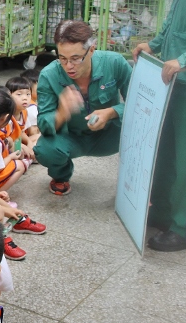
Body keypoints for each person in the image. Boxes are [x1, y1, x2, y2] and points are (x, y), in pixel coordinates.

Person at [33, 20, 132, 195]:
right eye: (62, 58)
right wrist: (61, 114)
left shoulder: (115, 63)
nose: (68, 66)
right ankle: (61, 176)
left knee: (150, 134)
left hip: (110, 134)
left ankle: (136, 185)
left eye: (76, 58)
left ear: (92, 49)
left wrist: (111, 112)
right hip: (72, 138)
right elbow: (43, 124)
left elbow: (140, 105)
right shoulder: (49, 75)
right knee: (45, 149)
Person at [133, 2, 186, 252]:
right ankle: (166, 212)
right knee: (166, 152)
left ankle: (183, 228)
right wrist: (155, 45)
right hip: (174, 81)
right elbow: (175, 22)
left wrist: (185, 58)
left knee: (185, 161)